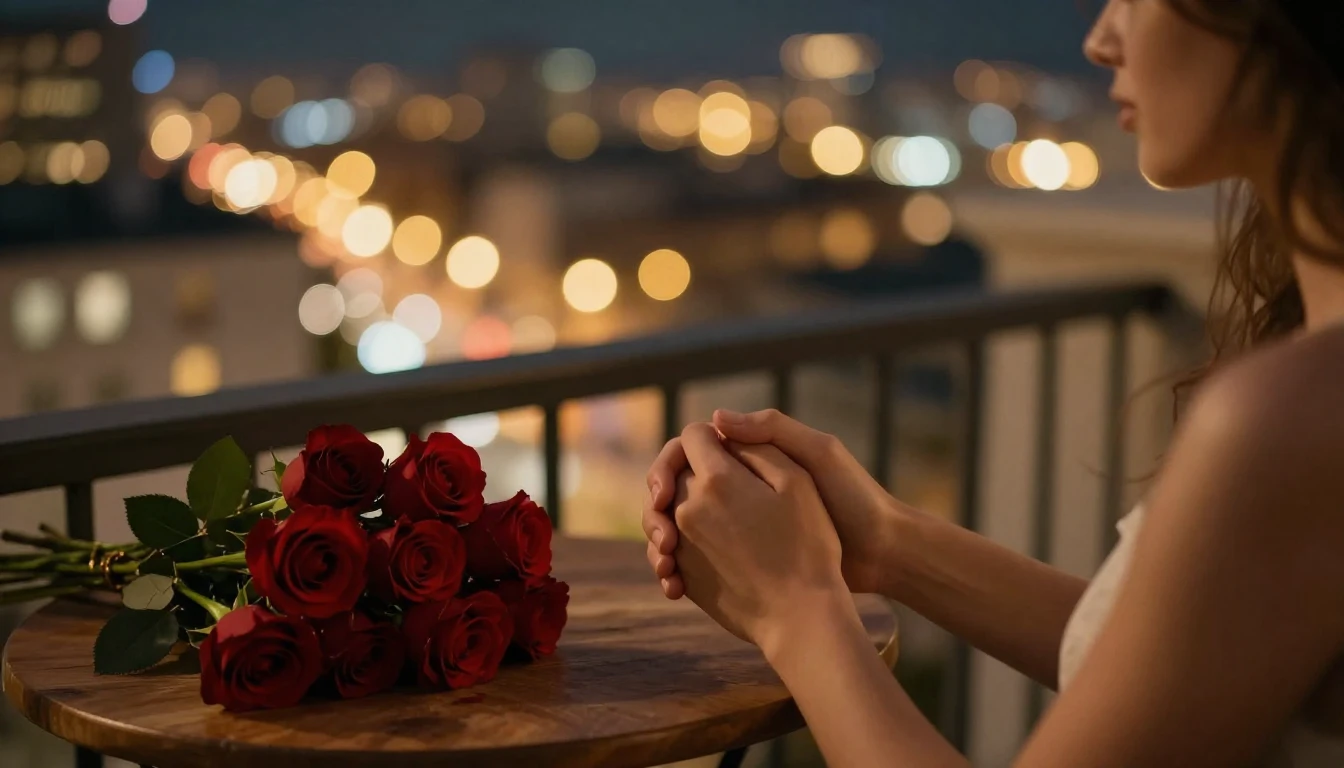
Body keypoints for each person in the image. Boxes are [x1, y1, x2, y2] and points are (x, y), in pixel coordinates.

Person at [641, 1, 1344, 765]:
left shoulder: (1287, 414)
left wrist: (795, 609)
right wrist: (887, 542)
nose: (1100, 39)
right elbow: (1185, 667)